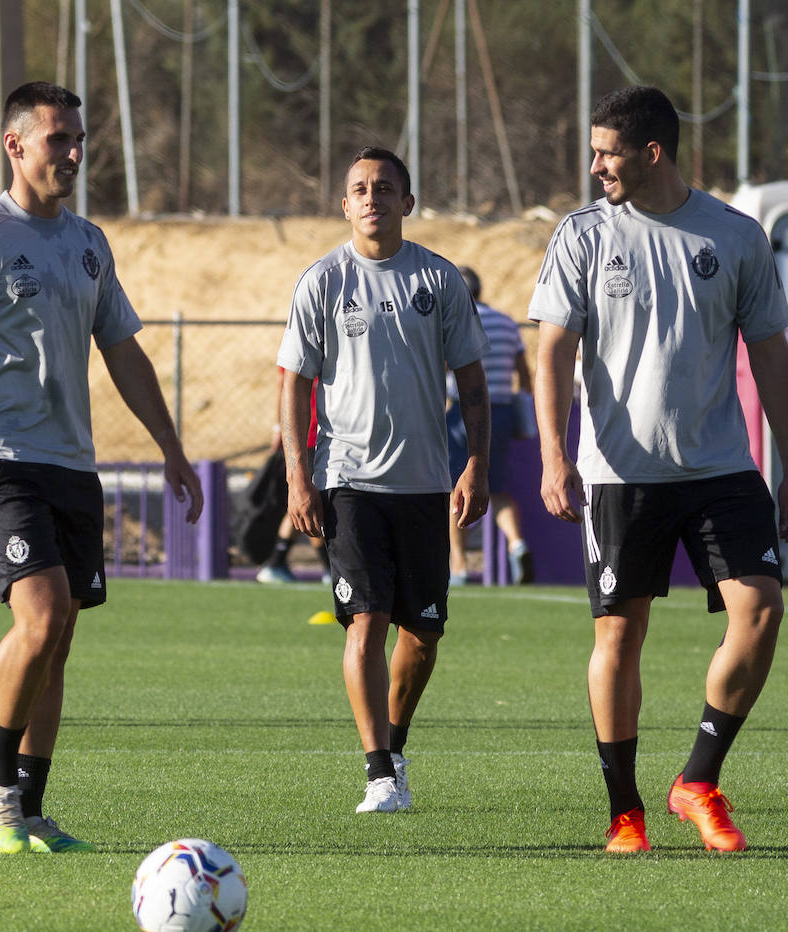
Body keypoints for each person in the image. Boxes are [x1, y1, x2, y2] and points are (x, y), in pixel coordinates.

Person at [0, 81, 203, 855]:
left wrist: (171, 448)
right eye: (58, 140)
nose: (74, 153)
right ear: (15, 145)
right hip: (2, 459)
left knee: (61, 636)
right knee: (38, 617)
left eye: (79, 139)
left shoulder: (88, 242)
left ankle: (30, 807)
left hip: (74, 463)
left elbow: (123, 351)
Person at [530, 85, 788, 854]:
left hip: (722, 467)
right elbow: (550, 349)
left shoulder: (736, 236)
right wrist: (555, 454)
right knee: (620, 634)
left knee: (761, 612)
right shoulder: (584, 234)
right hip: (621, 474)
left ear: (652, 151)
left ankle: (698, 780)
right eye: (594, 151)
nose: (595, 166)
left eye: (608, 152)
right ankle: (625, 813)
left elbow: (772, 354)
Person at [279, 146, 490, 814]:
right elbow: (294, 386)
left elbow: (476, 385)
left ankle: (393, 746)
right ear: (345, 204)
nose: (371, 198)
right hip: (348, 480)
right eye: (359, 189)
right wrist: (298, 473)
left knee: (422, 636)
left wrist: (476, 465)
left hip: (425, 485)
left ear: (408, 201)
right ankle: (377, 771)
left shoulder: (440, 280)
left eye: (385, 188)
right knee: (365, 621)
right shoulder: (321, 282)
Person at [446, 265, 534, 585]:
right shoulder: (508, 323)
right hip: (503, 410)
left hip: (464, 414)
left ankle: (459, 566)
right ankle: (517, 544)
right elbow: (524, 373)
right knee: (496, 488)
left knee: (456, 488)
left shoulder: (457, 321)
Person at [256, 368, 332, 585]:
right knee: (308, 502)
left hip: (323, 435)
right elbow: (284, 385)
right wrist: (278, 429)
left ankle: (327, 569)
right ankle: (275, 562)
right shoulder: (301, 341)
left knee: (316, 504)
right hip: (309, 437)